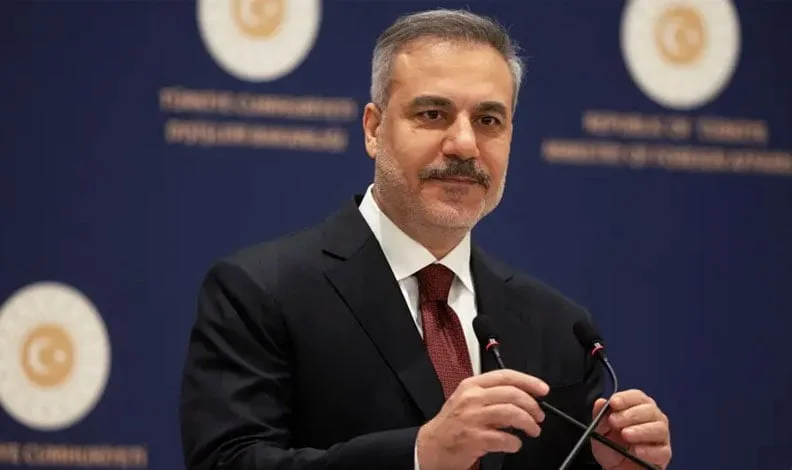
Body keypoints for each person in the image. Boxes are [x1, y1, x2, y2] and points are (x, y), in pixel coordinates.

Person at [178, 8, 672, 470]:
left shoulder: (560, 327)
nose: (464, 144)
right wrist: (419, 455)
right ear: (374, 129)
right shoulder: (261, 292)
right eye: (433, 114)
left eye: (488, 120)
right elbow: (228, 461)